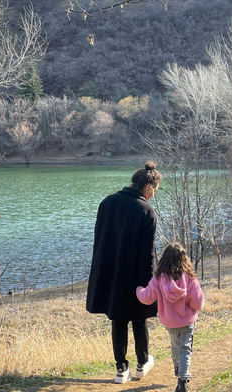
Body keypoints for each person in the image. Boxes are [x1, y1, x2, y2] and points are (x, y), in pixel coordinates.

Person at [86, 161, 162, 384]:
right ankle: (142, 364)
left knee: (118, 319)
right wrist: (149, 283)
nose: (154, 196)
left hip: (110, 273)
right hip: (137, 275)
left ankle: (121, 370)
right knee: (139, 318)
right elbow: (149, 253)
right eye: (155, 191)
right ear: (148, 187)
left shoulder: (107, 202)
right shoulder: (145, 210)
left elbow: (99, 241)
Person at [136, 243, 205, 392]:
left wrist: (138, 290)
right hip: (187, 322)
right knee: (185, 349)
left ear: (164, 260)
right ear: (184, 259)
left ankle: (177, 367)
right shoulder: (190, 278)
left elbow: (146, 298)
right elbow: (198, 303)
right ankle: (182, 381)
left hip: (169, 322)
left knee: (175, 345)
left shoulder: (158, 279)